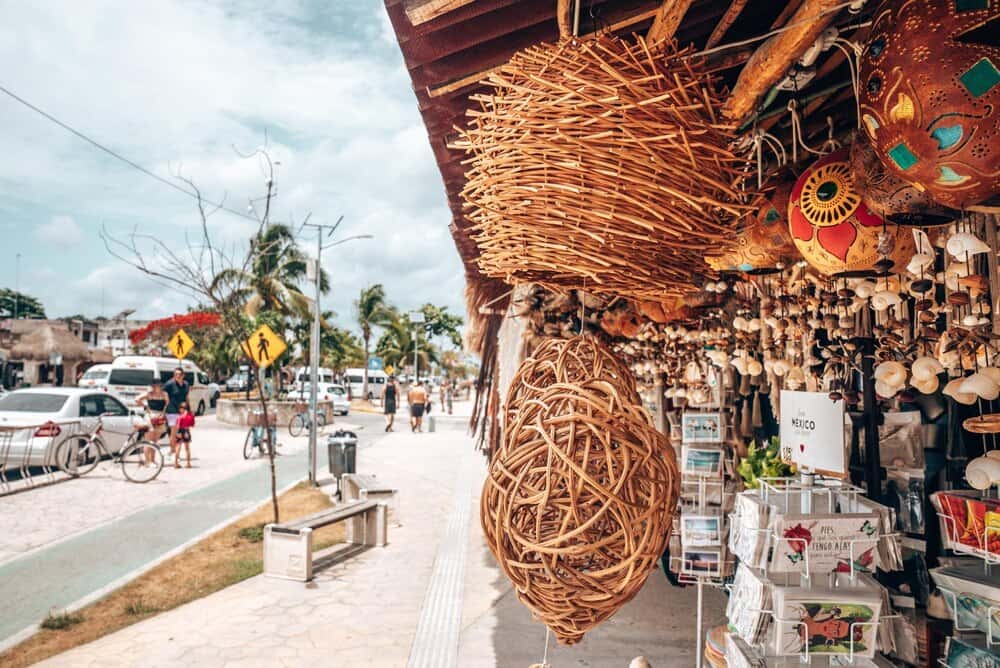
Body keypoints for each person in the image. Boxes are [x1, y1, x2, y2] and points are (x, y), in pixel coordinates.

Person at [162, 367, 190, 459]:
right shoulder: (169, 384)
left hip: (182, 412)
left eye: (179, 374)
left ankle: (176, 451)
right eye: (176, 374)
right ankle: (172, 451)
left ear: (183, 375)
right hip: (172, 411)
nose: (177, 376)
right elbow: (163, 393)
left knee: (182, 432)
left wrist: (189, 409)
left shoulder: (186, 384)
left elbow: (186, 397)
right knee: (173, 432)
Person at [136, 379, 169, 449]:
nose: (155, 387)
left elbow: (167, 404)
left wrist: (163, 413)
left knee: (155, 441)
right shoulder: (149, 394)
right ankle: (148, 460)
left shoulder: (165, 394)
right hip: (150, 416)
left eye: (157, 385)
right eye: (153, 386)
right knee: (148, 441)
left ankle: (152, 459)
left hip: (160, 417)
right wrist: (145, 407)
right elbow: (137, 399)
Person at [175, 401, 196, 469]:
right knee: (187, 448)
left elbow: (178, 425)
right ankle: (188, 463)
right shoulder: (191, 415)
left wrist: (177, 433)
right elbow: (192, 425)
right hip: (187, 431)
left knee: (178, 447)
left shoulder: (180, 417)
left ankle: (176, 463)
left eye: (180, 408)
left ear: (182, 408)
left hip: (180, 431)